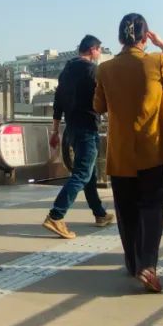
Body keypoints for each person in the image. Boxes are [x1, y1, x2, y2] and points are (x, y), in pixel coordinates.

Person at [94, 13, 163, 293]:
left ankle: (132, 262)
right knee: (152, 207)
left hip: (120, 152)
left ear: (120, 37)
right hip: (152, 149)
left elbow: (98, 106)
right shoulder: (156, 61)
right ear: (145, 36)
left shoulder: (105, 69)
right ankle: (147, 264)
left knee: (126, 210)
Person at [44, 35, 115, 238]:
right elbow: (104, 98)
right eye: (99, 50)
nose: (99, 53)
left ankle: (100, 214)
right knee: (83, 174)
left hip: (71, 128)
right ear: (92, 49)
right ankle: (56, 215)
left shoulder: (66, 71)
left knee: (88, 174)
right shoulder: (92, 70)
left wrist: (55, 131)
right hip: (87, 127)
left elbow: (58, 103)